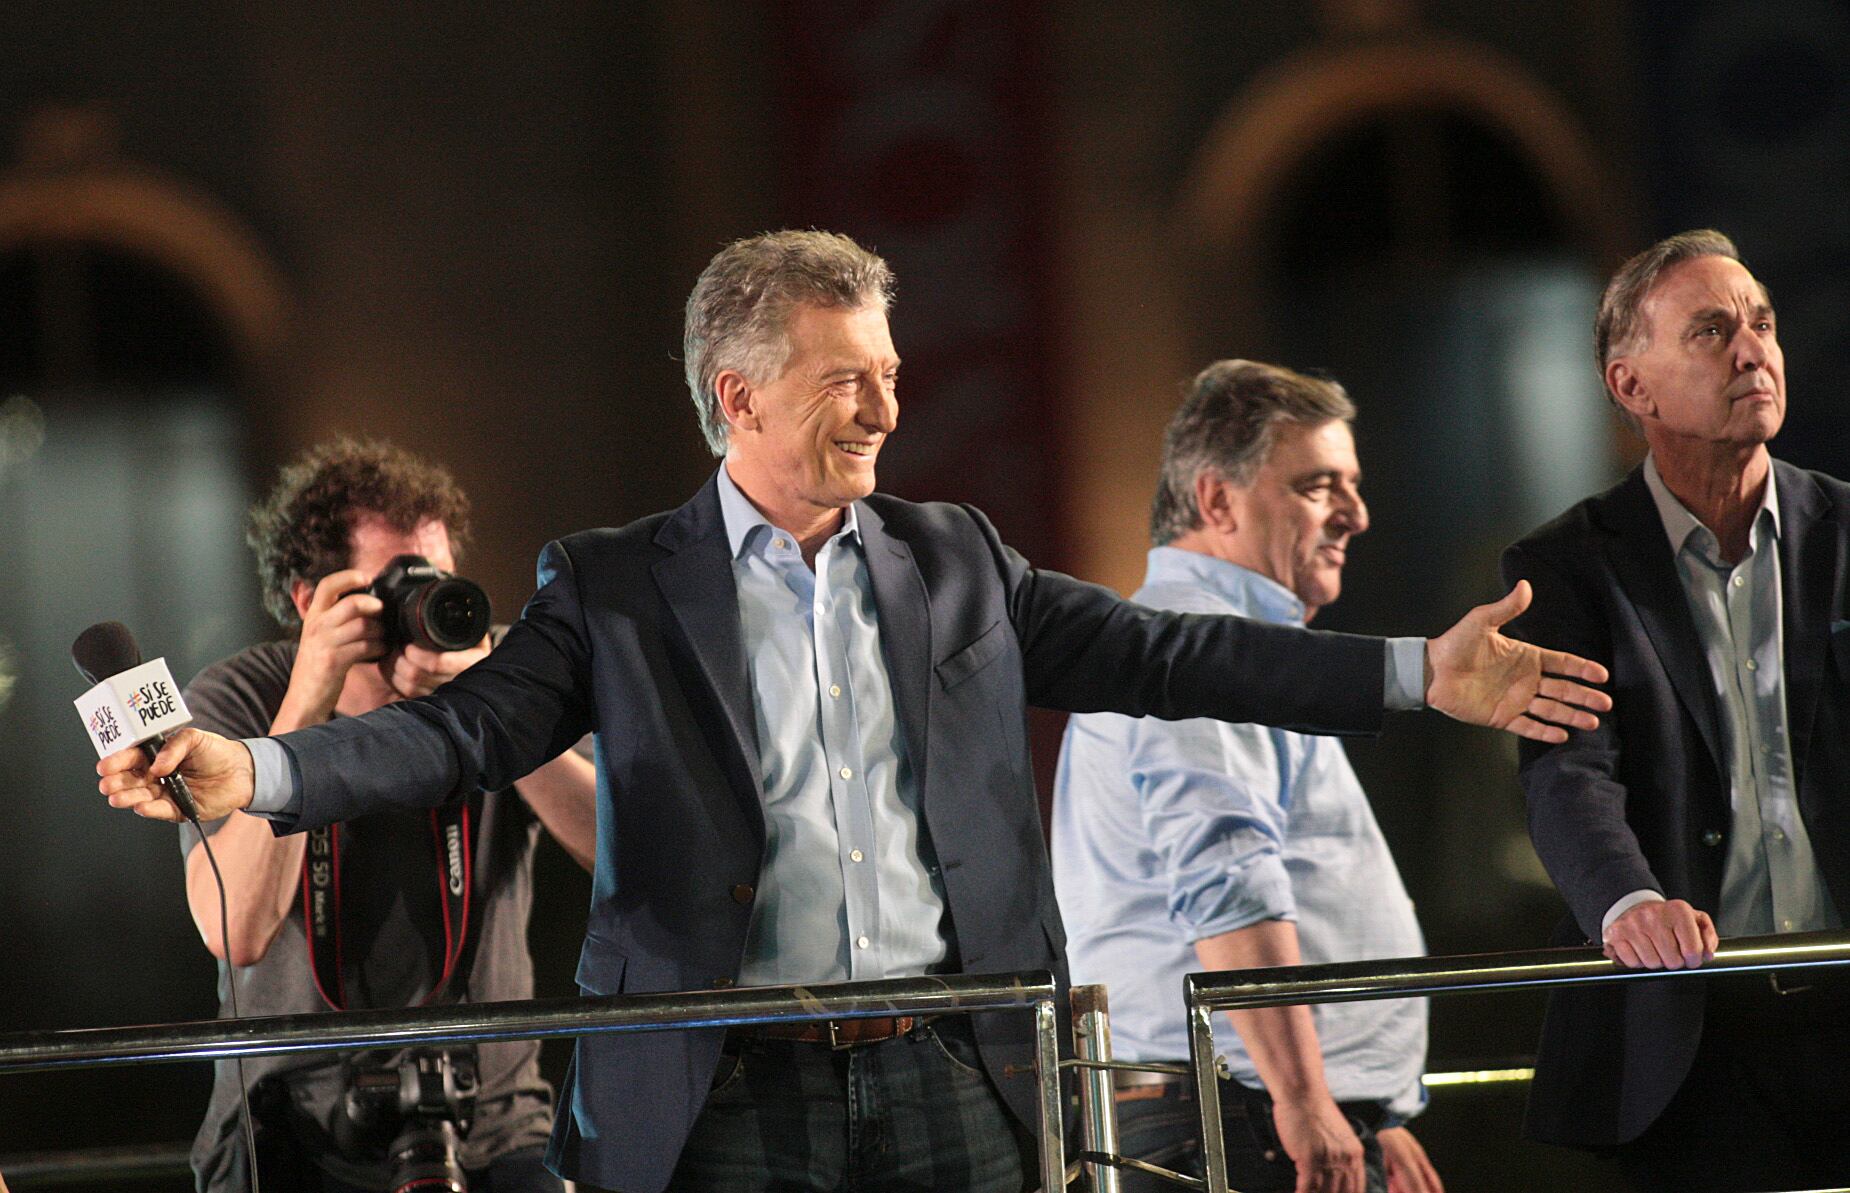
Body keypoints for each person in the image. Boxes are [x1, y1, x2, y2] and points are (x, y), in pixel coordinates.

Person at [99, 230, 1609, 1193]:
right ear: (737, 395)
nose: (885, 408)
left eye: (887, 374)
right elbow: (455, 733)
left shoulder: (955, 559)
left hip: (952, 1073)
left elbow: (1174, 659)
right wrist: (260, 770)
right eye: (844, 380)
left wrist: (1413, 671)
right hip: (724, 1097)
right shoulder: (615, 585)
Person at [1502, 229, 1850, 1192]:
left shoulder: (1848, 532)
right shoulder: (1566, 570)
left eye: (1762, 323)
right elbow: (1568, 769)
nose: (1753, 351)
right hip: (1695, 1041)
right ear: (1631, 387)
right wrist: (1627, 901)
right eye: (1711, 331)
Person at [1054, 361, 1441, 1193]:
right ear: (1217, 500)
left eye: (1353, 485)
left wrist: (1375, 1107)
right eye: (1318, 486)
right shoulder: (1204, 649)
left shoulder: (1229, 649)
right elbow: (1228, 881)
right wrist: (1307, 1099)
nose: (1357, 515)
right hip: (1242, 1121)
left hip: (1262, 1111)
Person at [178, 439, 598, 1193]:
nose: (419, 608)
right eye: (393, 587)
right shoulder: (240, 699)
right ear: (310, 600)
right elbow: (234, 930)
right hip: (291, 1123)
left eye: (433, 579)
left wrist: (497, 714)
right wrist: (307, 702)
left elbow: (622, 849)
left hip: (495, 1117)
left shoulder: (506, 674)